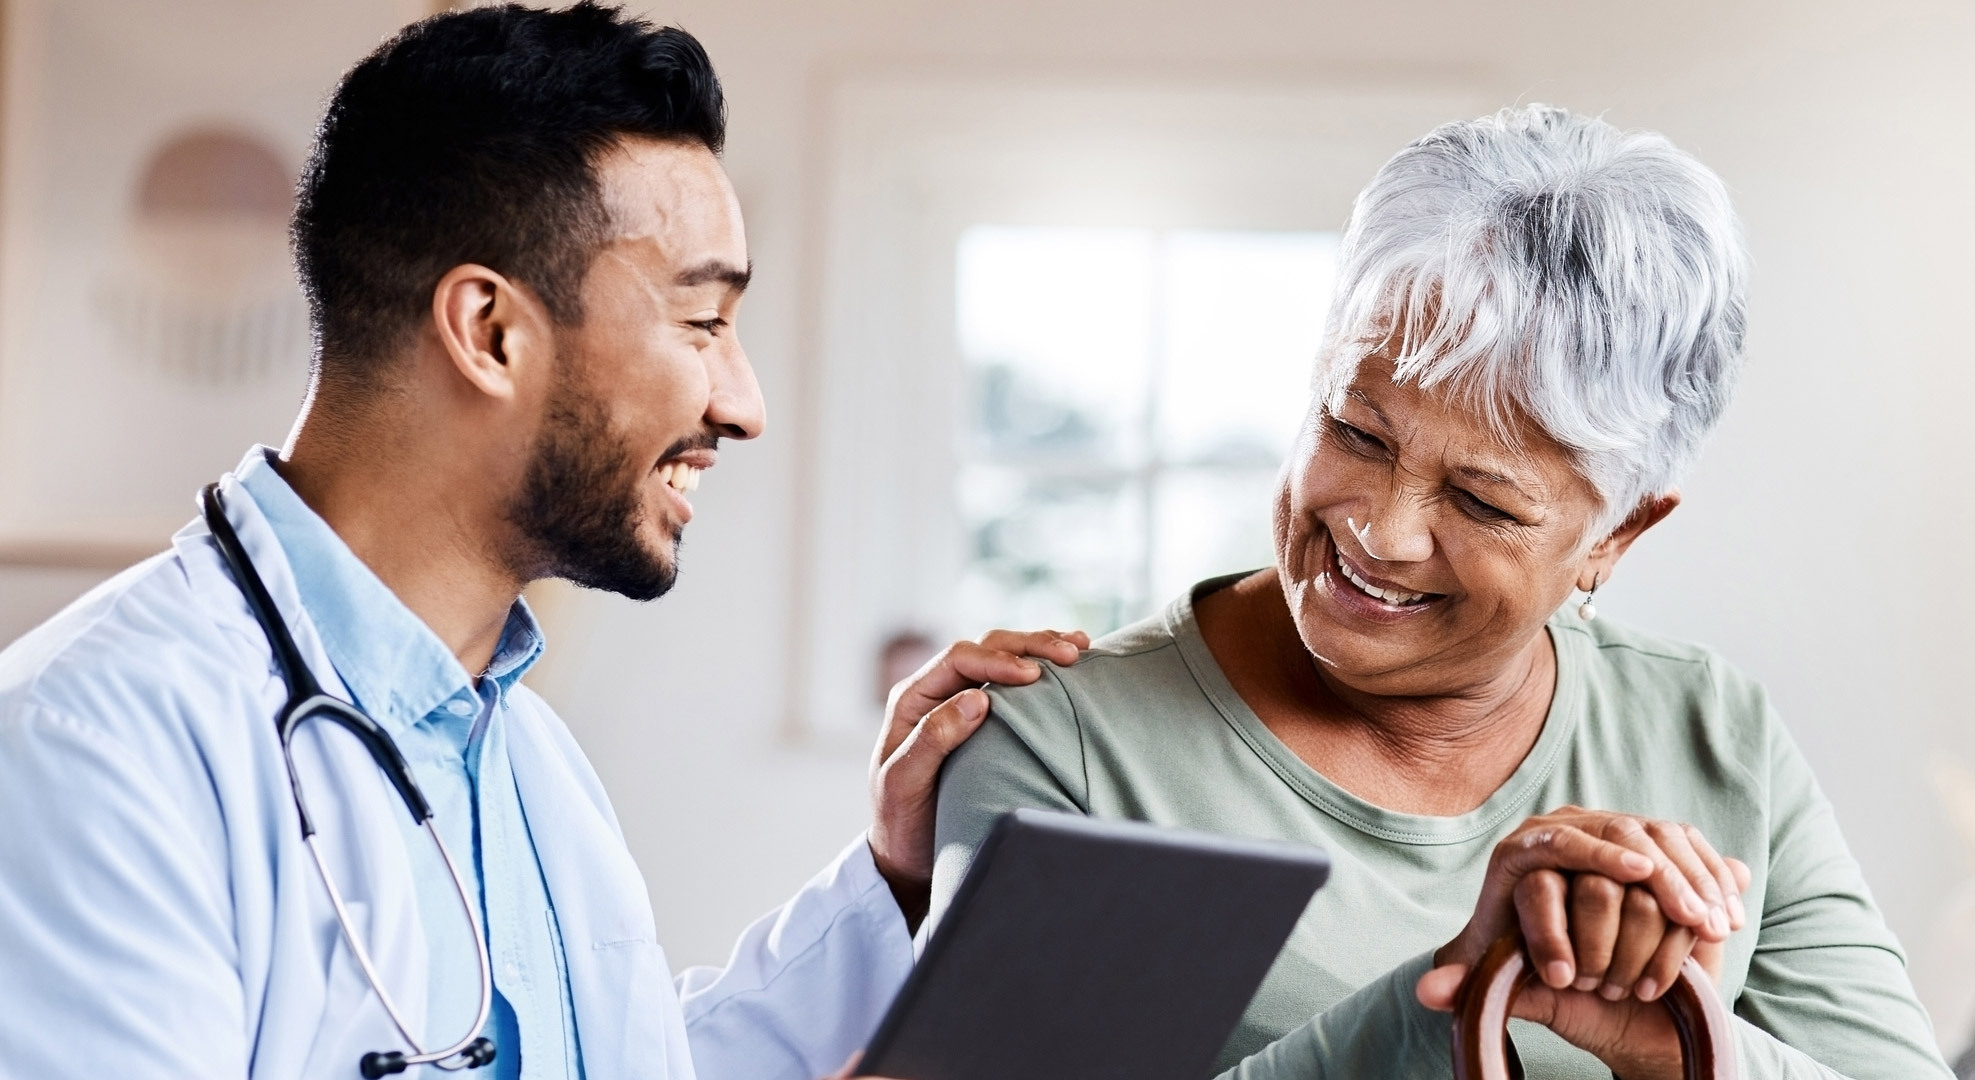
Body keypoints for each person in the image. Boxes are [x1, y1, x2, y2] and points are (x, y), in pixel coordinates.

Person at [0, 6, 1084, 1079]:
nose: (744, 405)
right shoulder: (88, 749)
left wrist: (899, 882)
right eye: (702, 322)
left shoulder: (520, 753)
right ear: (491, 333)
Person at [930, 104, 1954, 1079]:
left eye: (1482, 501)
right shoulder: (1067, 746)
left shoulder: (1709, 730)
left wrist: (1676, 1046)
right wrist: (1462, 992)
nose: (1380, 530)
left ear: (1618, 534)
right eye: (1354, 432)